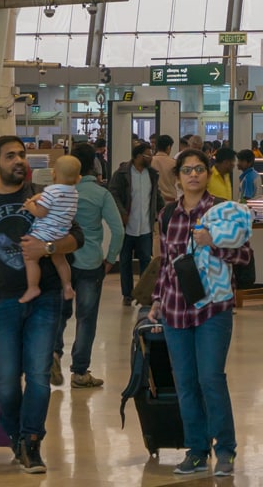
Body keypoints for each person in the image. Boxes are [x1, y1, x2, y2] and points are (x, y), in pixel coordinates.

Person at [0, 135, 84, 474]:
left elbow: (75, 237)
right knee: (7, 381)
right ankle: (14, 435)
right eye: (10, 156)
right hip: (2, 300)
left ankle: (31, 442)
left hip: (45, 297)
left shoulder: (45, 196)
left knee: (37, 375)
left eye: (21, 154)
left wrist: (47, 250)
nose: (18, 160)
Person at [148, 149, 252, 477]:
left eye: (199, 169)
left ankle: (225, 449)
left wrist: (211, 244)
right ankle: (195, 450)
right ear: (177, 176)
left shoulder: (222, 211)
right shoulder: (168, 215)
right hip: (175, 308)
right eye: (187, 170)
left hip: (212, 308)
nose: (193, 175)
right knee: (185, 382)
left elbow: (244, 258)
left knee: (210, 377)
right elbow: (164, 263)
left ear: (207, 174)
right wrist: (156, 299)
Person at [51, 144, 124, 389]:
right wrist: (111, 258)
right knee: (86, 318)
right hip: (91, 262)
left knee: (59, 313)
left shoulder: (58, 191)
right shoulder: (100, 193)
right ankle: (80, 373)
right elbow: (118, 230)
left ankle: (53, 353)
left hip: (61, 260)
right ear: (93, 164)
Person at [20, 155, 82, 304]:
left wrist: (30, 206)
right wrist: (39, 196)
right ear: (78, 179)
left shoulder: (50, 191)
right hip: (61, 232)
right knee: (60, 259)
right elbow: (56, 197)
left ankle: (33, 287)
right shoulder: (73, 193)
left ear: (53, 174)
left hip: (44, 233)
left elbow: (41, 212)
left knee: (30, 257)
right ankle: (67, 286)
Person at [110, 142, 164, 306]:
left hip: (145, 226)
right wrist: (122, 213)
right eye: (148, 155)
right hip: (127, 227)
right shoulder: (122, 173)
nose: (151, 158)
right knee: (125, 261)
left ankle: (144, 293)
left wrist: (164, 212)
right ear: (138, 156)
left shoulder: (152, 174)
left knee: (146, 262)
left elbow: (156, 196)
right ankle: (127, 294)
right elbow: (113, 193)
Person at [150, 134, 178, 204]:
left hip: (153, 201)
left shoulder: (150, 161)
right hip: (170, 200)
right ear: (168, 147)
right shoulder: (174, 163)